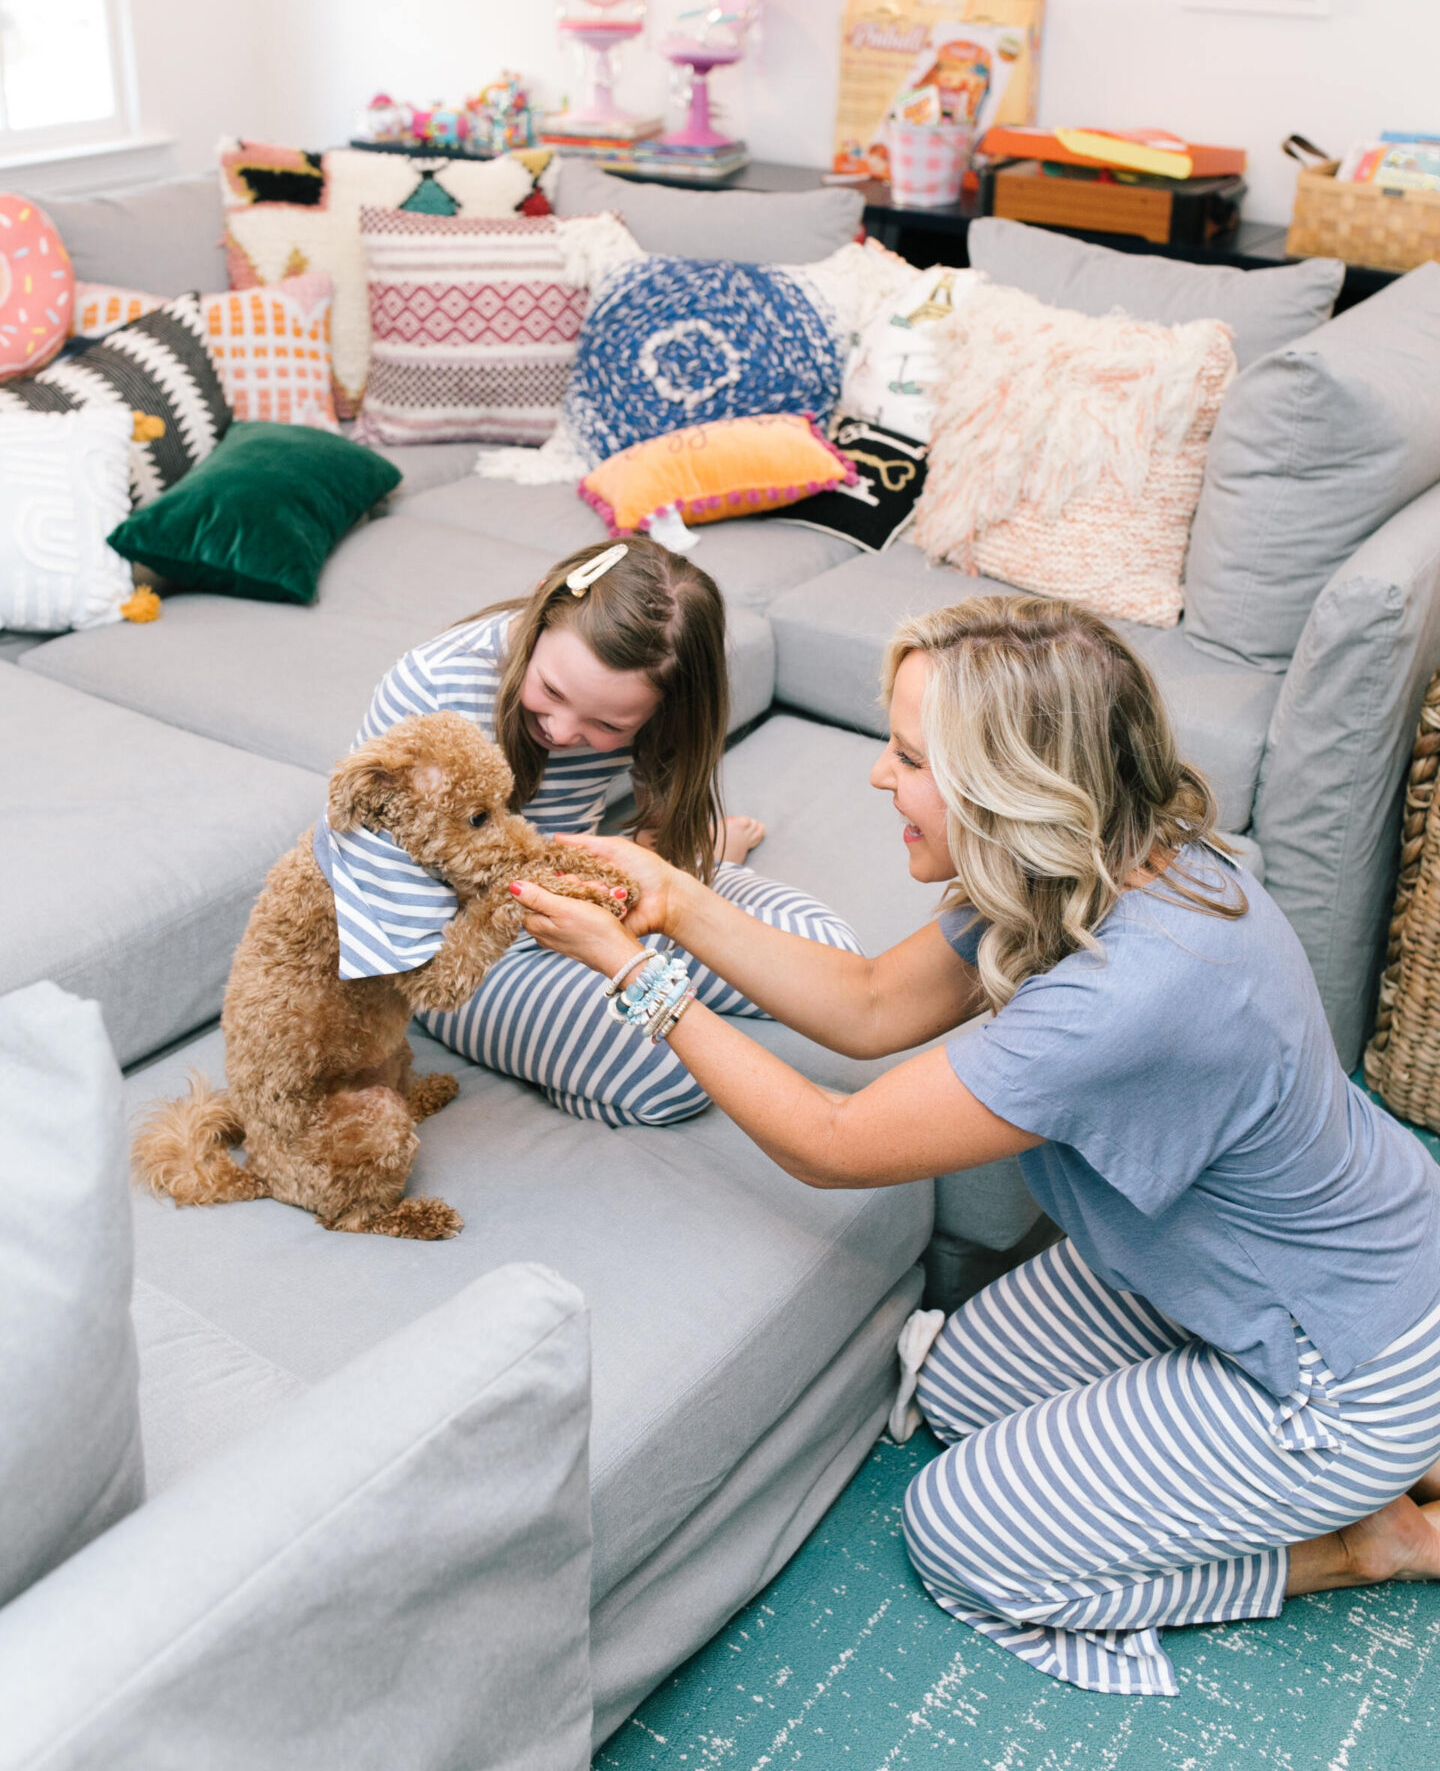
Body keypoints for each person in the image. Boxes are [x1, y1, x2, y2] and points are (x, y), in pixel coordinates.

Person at [509, 593, 1440, 1697]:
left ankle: (1361, 1540)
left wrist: (633, 973)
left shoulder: (1128, 993)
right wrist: (671, 897)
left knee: (963, 1532)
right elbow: (864, 1007)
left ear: (1008, 790)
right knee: (957, 1390)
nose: (875, 775)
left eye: (906, 755)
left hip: (1342, 1361)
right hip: (1298, 1264)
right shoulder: (1094, 864)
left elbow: (833, 1139)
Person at [330, 540, 860, 1127]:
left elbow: (658, 817)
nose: (559, 730)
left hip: (595, 891)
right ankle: (572, 1063)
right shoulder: (431, 689)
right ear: (539, 612)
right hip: (469, 952)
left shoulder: (653, 704)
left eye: (608, 724)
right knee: (678, 1080)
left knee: (832, 961)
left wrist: (649, 906)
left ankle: (710, 858)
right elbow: (372, 882)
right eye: (552, 692)